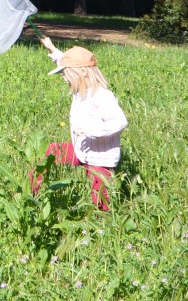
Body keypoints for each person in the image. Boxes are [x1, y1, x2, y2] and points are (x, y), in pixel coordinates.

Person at [29, 35, 127, 211]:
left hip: (100, 158)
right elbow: (64, 60)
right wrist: (51, 47)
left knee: (100, 199)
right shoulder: (81, 88)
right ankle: (30, 195)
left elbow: (120, 122)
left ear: (82, 72)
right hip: (80, 148)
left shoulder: (101, 96)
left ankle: (103, 228)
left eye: (66, 74)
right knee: (50, 152)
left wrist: (91, 130)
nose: (64, 78)